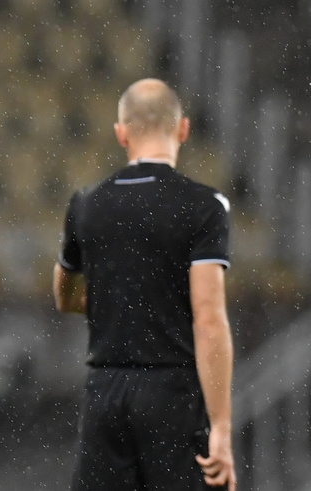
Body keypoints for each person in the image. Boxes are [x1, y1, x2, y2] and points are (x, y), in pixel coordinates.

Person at [52, 78, 236, 490]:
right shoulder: (204, 207)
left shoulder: (86, 203)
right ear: (183, 129)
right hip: (171, 393)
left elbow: (64, 296)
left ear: (121, 133)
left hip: (104, 392)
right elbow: (208, 320)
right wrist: (221, 427)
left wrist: (120, 302)